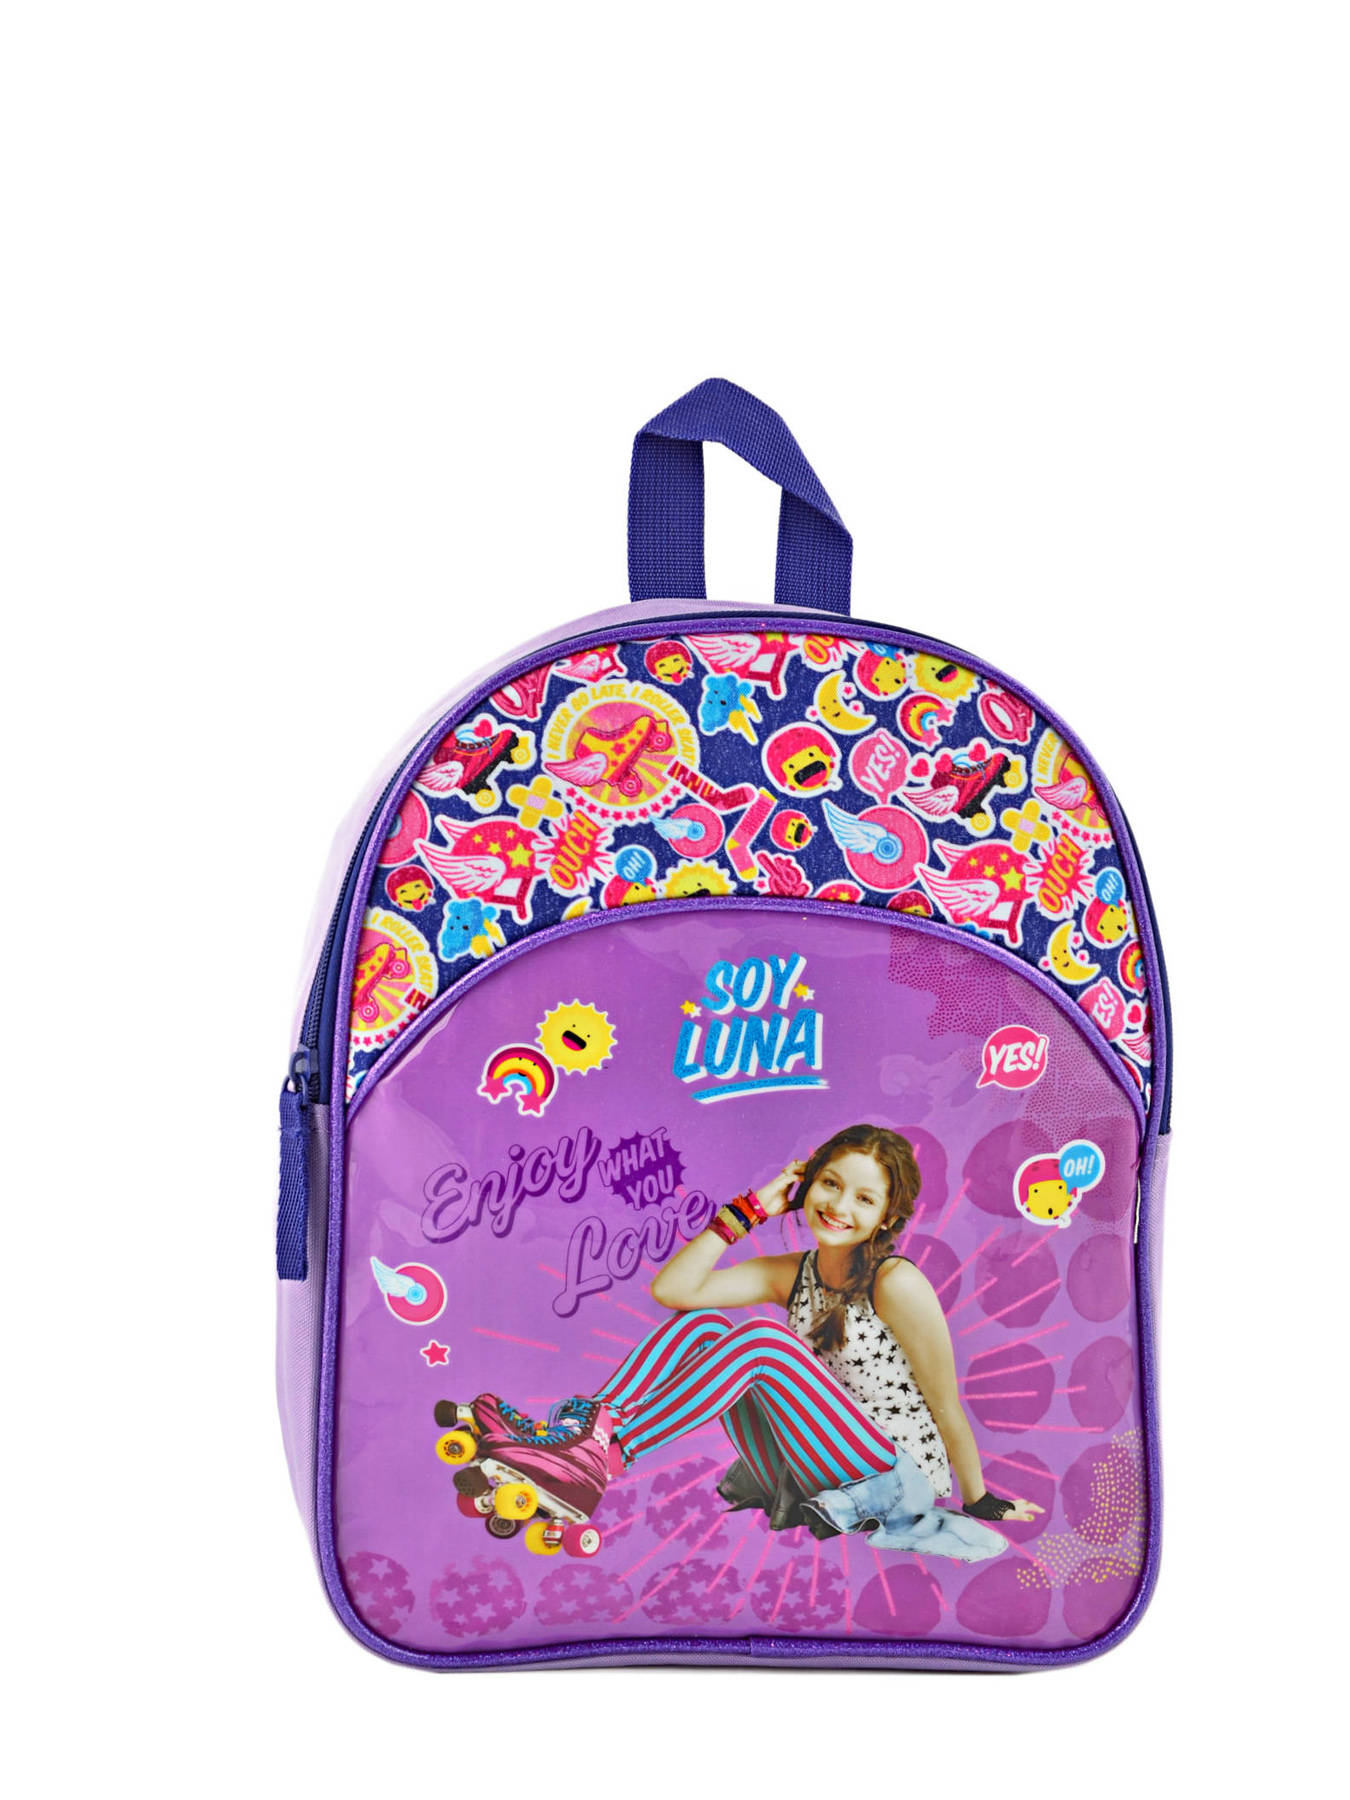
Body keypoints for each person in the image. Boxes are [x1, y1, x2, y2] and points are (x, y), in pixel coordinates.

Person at [451, 1124, 1040, 1561]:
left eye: (864, 1198)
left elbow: (943, 1404)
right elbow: (675, 1291)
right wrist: (750, 1210)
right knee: (703, 1327)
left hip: (891, 1477)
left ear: (887, 1217)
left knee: (762, 1341)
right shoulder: (794, 1272)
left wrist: (979, 1499)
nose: (839, 1206)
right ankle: (578, 1436)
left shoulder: (897, 1282)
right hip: (817, 1460)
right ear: (805, 1185)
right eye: (830, 1184)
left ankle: (602, 1457)